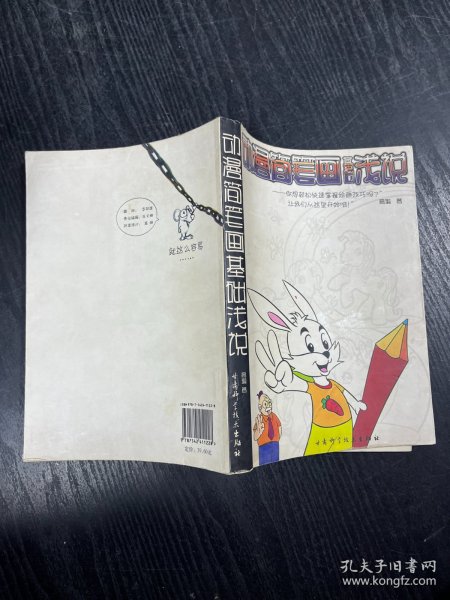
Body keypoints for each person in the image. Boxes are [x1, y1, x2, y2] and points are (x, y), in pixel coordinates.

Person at [253, 391, 282, 465]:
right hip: (264, 445)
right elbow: (255, 437)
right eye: (266, 404)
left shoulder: (274, 416)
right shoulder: (259, 419)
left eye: (269, 403)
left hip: (275, 444)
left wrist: (278, 437)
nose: (268, 406)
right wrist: (258, 432)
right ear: (260, 407)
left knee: (275, 461)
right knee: (265, 464)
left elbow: (279, 426)